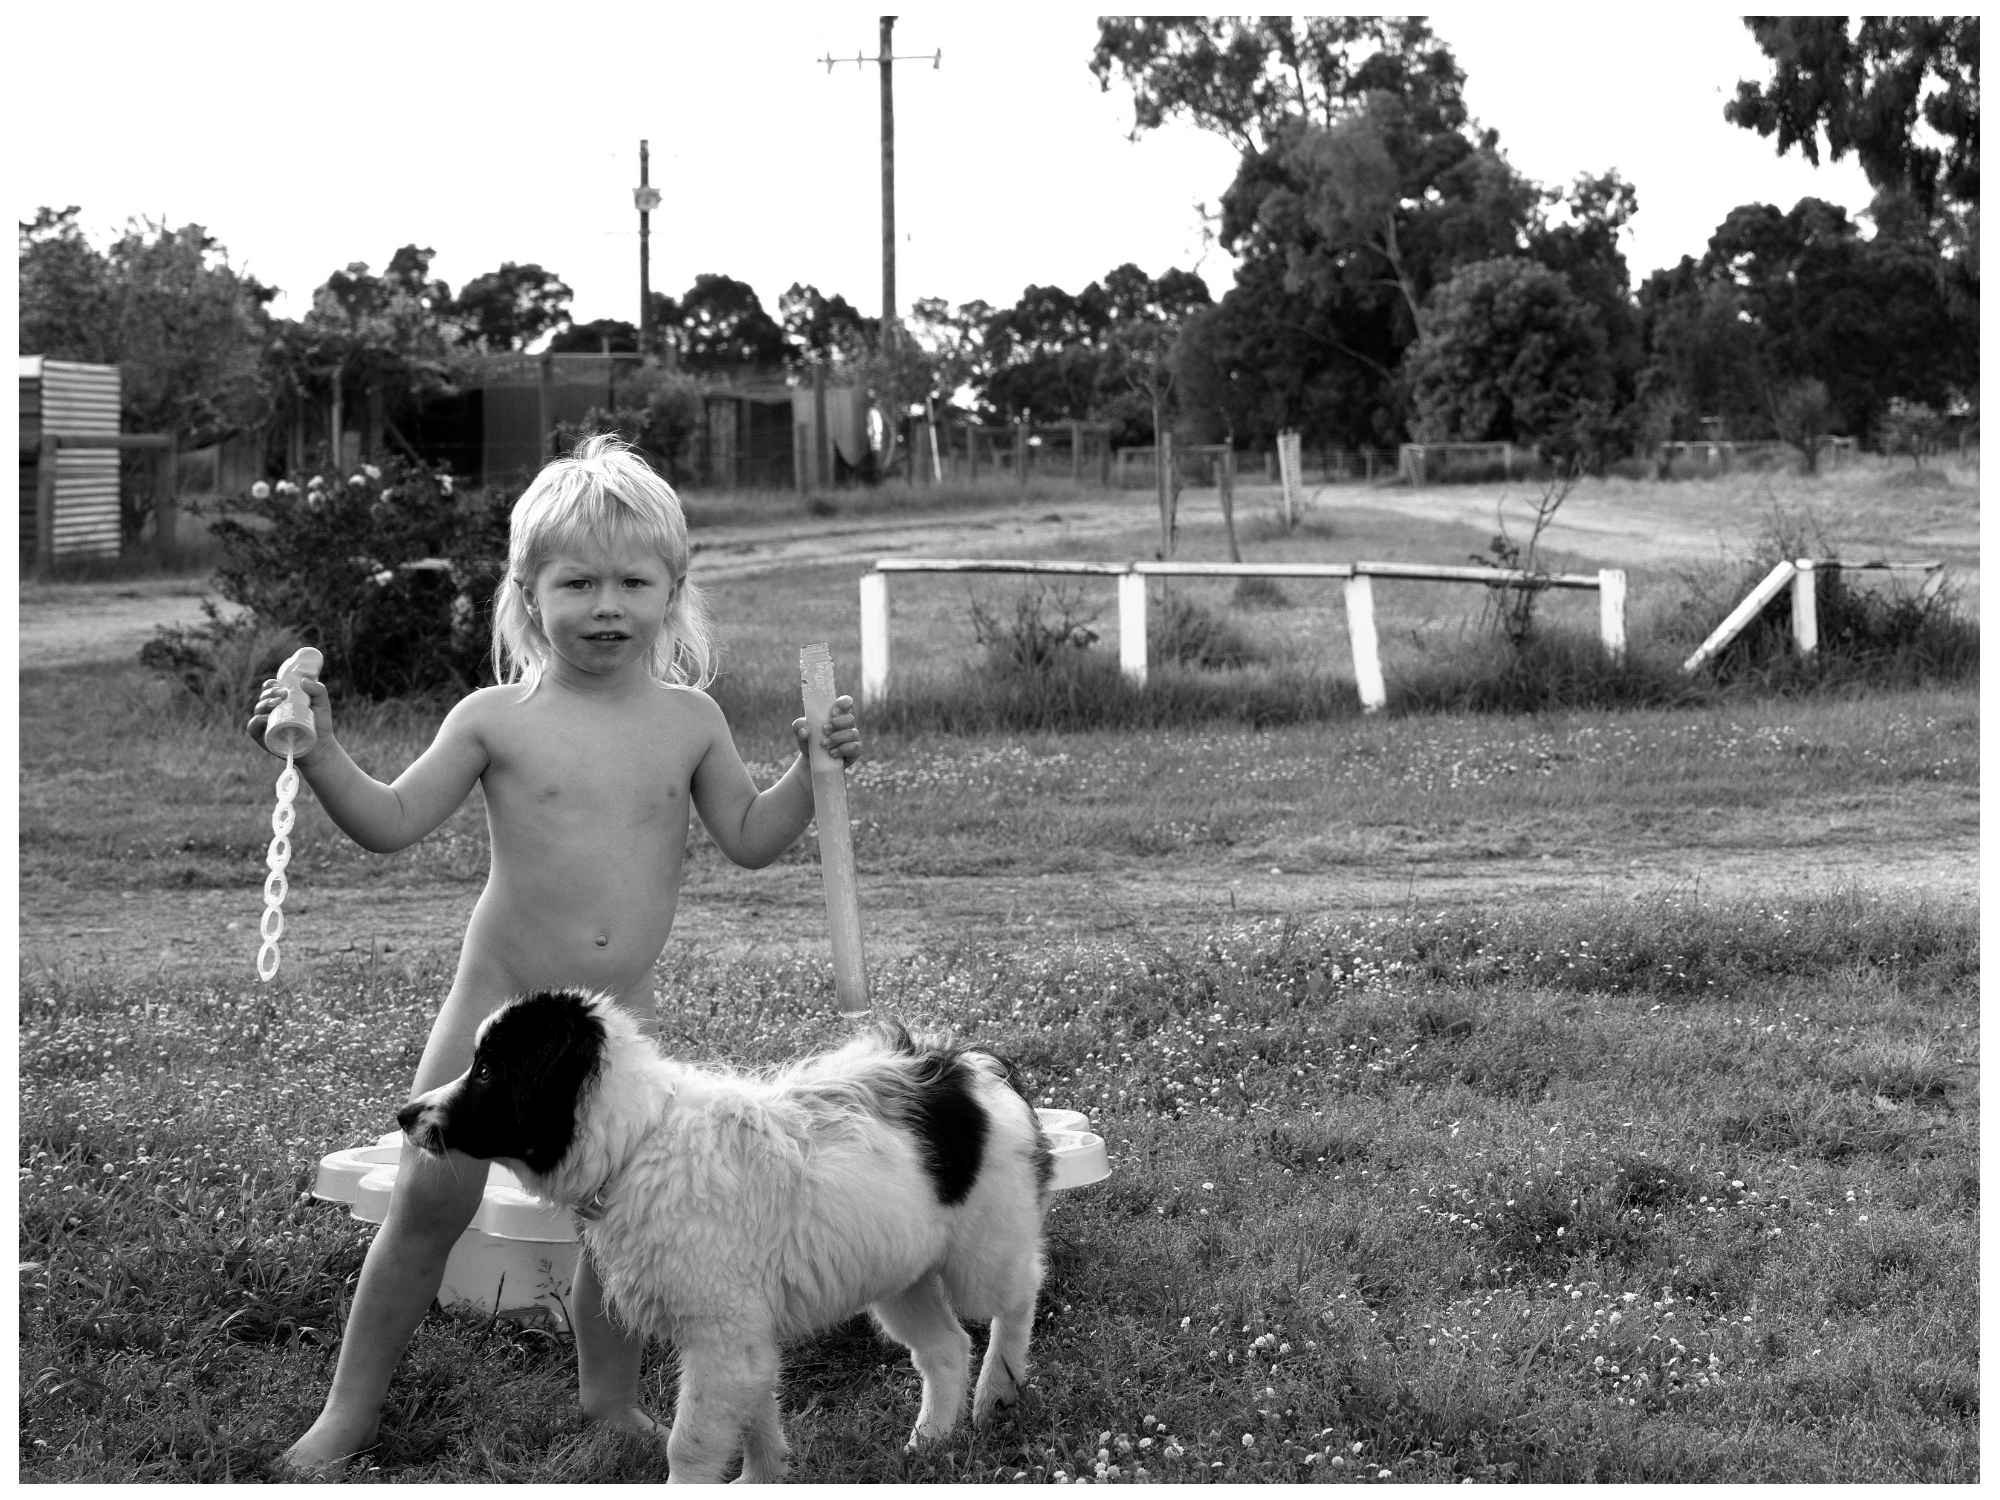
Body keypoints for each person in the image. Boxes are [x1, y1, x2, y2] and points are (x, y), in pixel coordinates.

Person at [248, 435, 862, 1472]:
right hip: (492, 1016)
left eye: (633, 580)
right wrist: (323, 754)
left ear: (675, 589)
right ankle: (346, 1413)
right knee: (427, 1205)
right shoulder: (496, 719)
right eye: (576, 582)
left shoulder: (690, 722)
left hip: (607, 1041)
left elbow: (753, 842)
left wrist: (810, 770)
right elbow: (392, 823)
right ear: (528, 593)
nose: (605, 604)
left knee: (621, 1224)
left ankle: (606, 1402)